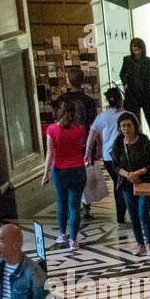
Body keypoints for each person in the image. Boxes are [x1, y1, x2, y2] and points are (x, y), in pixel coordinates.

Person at [41, 101, 88, 251]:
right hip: (78, 168)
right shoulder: (80, 129)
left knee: (61, 202)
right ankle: (73, 240)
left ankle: (62, 234)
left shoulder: (52, 129)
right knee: (74, 205)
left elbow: (50, 153)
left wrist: (45, 173)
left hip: (59, 170)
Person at [54, 68, 99, 220]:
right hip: (84, 141)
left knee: (66, 175)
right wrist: (93, 145)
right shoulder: (88, 101)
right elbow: (93, 124)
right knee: (83, 176)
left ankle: (68, 208)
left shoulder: (62, 100)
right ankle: (86, 208)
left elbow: (56, 122)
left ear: (68, 80)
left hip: (65, 142)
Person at [111, 112, 150, 257]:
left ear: (135, 126)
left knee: (143, 213)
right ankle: (140, 243)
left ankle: (149, 242)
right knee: (133, 214)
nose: (126, 129)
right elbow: (115, 165)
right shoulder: (118, 143)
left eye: (129, 125)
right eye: (123, 126)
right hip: (126, 184)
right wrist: (127, 175)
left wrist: (138, 173)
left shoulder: (143, 141)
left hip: (144, 181)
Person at [85, 87, 128, 230]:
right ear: (120, 99)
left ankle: (121, 219)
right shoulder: (127, 115)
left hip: (108, 157)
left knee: (118, 184)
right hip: (125, 156)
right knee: (124, 185)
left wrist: (88, 152)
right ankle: (123, 218)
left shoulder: (102, 116)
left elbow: (92, 134)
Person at [120, 38, 150, 148]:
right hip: (133, 94)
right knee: (135, 121)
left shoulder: (149, 61)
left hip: (147, 94)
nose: (137, 52)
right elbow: (122, 73)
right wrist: (125, 83)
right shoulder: (127, 60)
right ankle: (138, 143)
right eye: (134, 49)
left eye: (138, 49)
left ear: (142, 49)